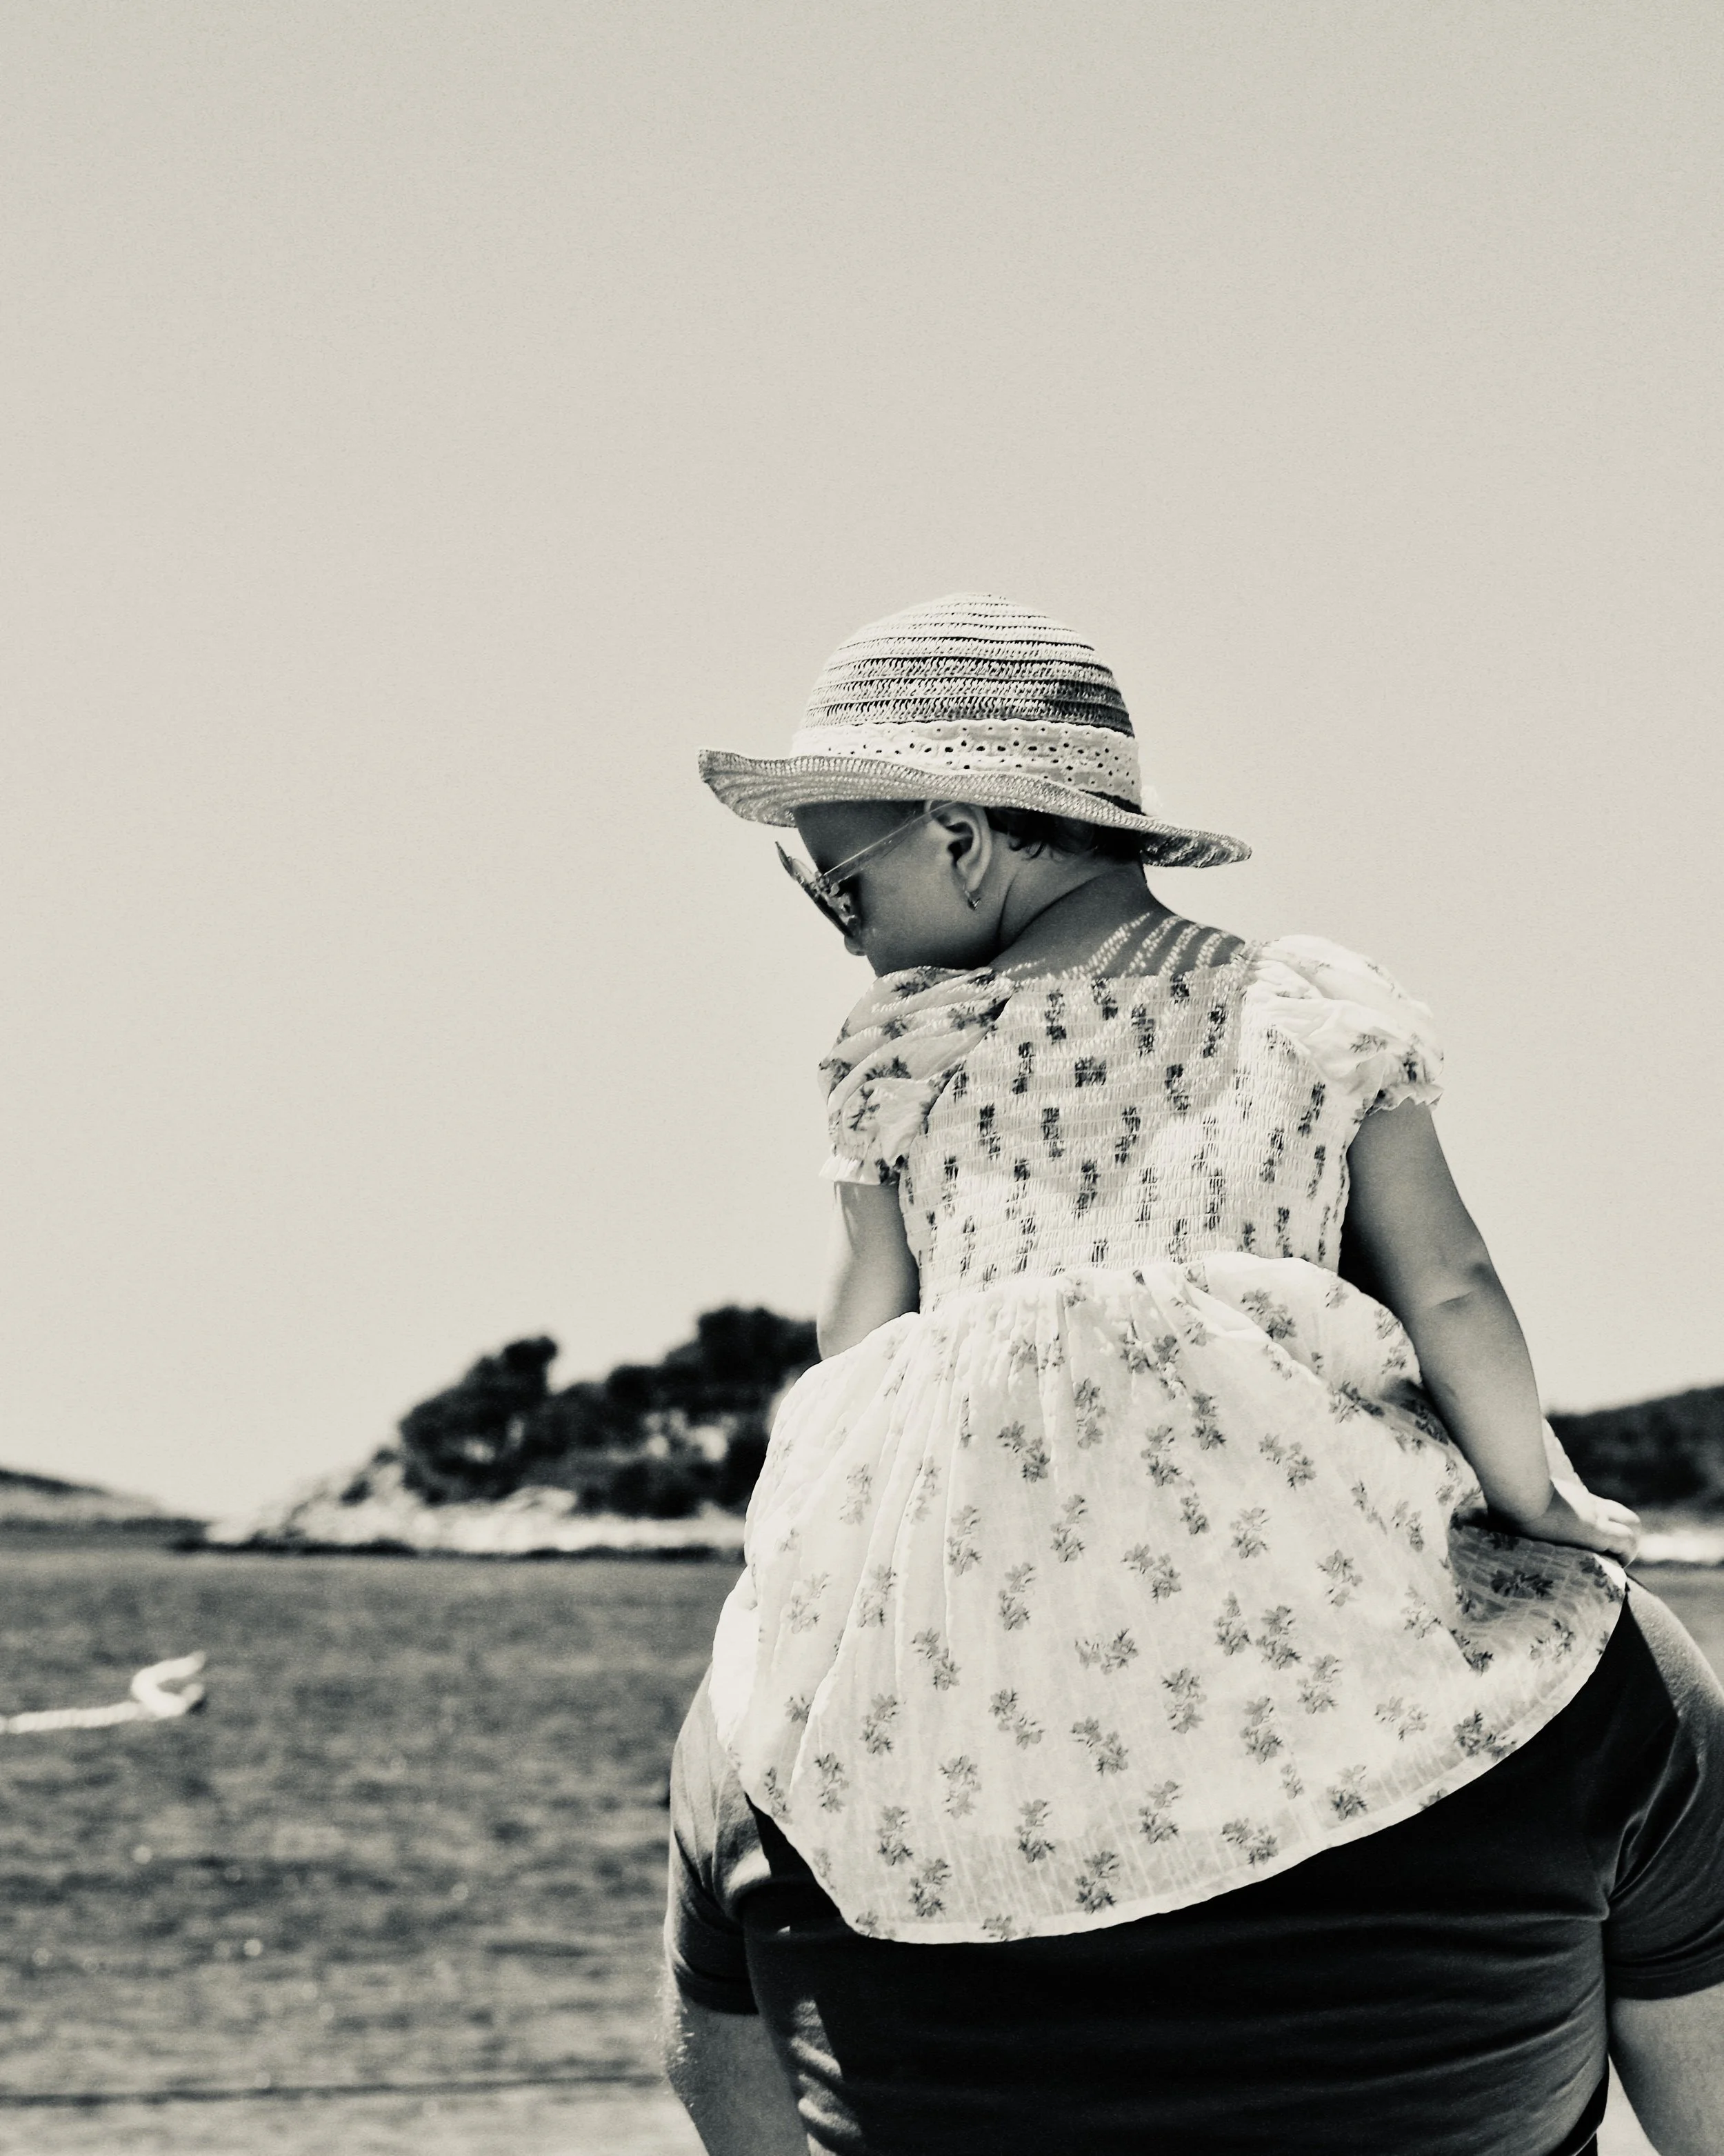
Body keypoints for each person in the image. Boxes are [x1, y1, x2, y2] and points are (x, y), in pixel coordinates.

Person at [662, 594, 1724, 2153]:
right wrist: (1531, 1492)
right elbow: (1448, 1281)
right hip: (1282, 1501)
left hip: (980, 1556)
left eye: (842, 887)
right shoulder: (1300, 1005)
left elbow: (862, 1339)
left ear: (963, 840)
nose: (845, 928)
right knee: (1592, 1666)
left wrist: (815, 1564)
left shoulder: (899, 1046)